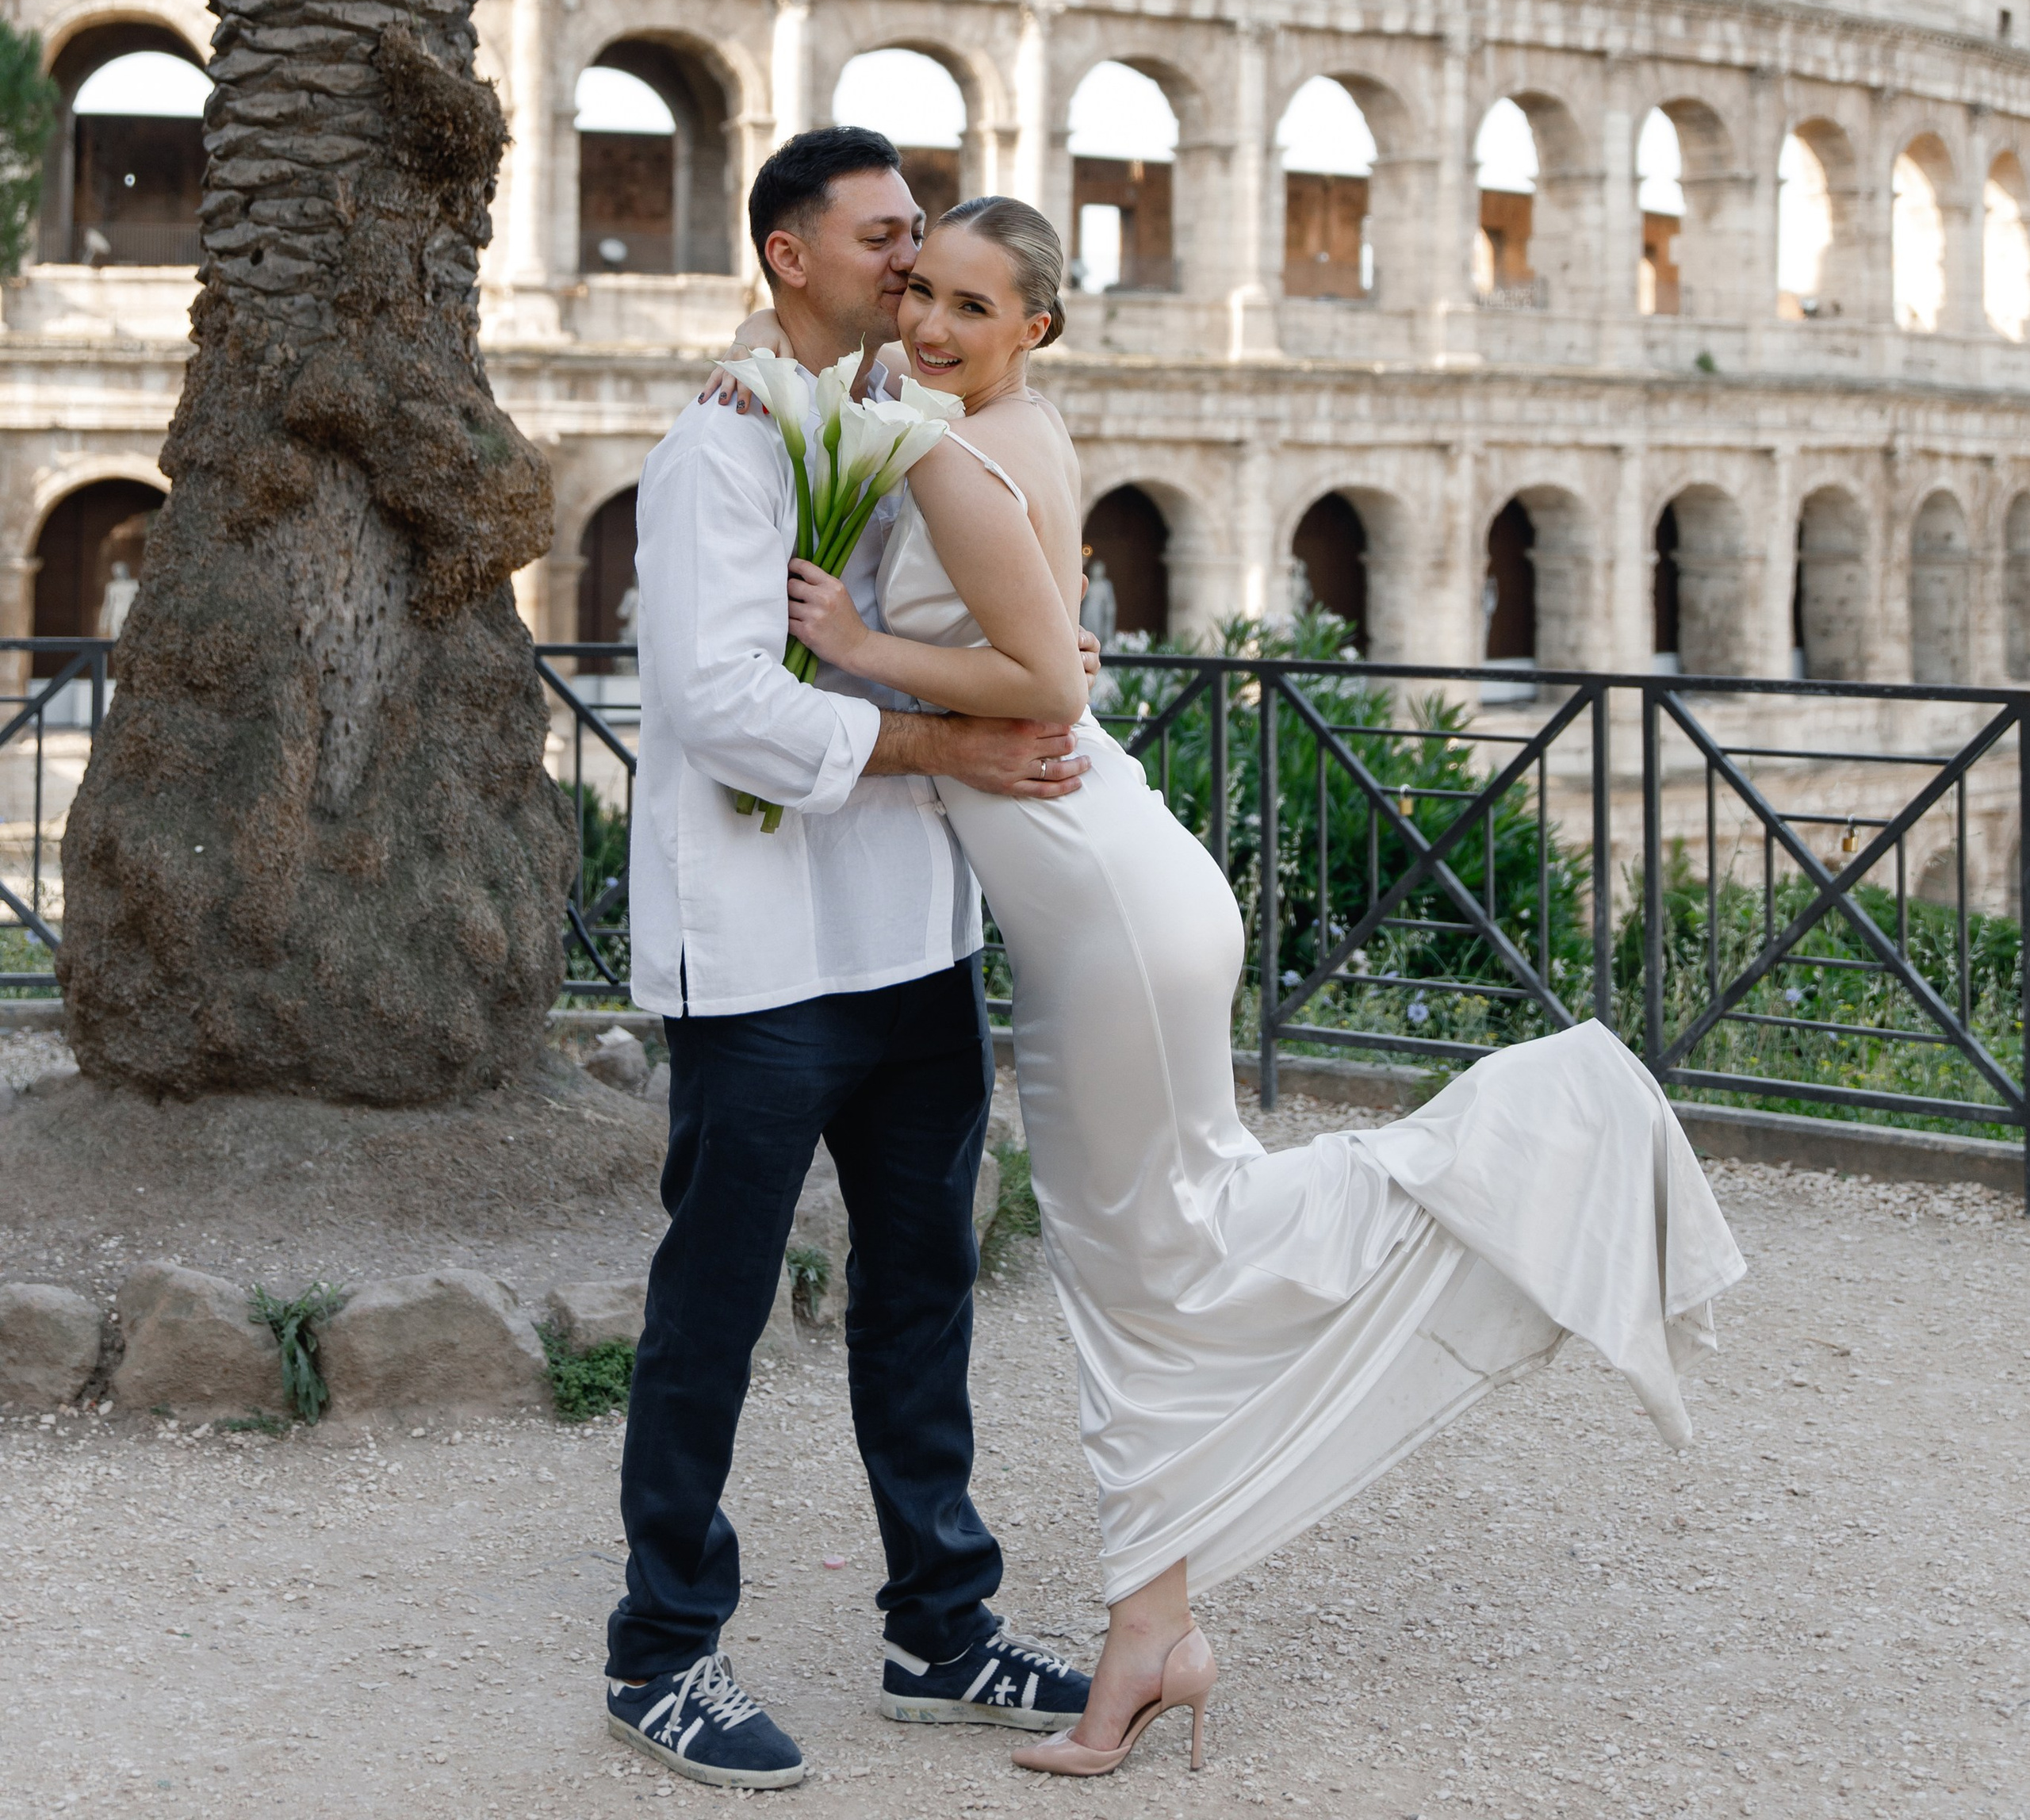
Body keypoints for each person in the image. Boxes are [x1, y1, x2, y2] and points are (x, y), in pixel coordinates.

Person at [760, 193, 1748, 1780]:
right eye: (919, 292)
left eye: (968, 304)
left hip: (1101, 906)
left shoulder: (951, 451)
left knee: (1158, 1241)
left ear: (1035, 325)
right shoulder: (995, 425)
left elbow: (1040, 677)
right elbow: (1057, 654)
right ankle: (1150, 1632)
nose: (929, 324)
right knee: (1132, 1258)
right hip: (1109, 884)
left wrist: (862, 648)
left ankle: (1565, 1118)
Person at [607, 127, 1100, 1791]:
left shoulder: (906, 432)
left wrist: (1026, 666)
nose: (913, 263)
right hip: (756, 959)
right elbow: (720, 707)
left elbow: (982, 649)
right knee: (714, 1307)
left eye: (928, 241)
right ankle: (661, 1650)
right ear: (788, 255)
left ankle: (939, 1630)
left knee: (922, 1297)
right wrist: (947, 750)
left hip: (904, 939)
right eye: (886, 236)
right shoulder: (715, 449)